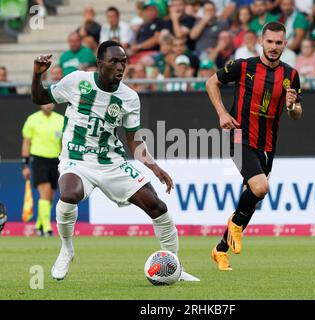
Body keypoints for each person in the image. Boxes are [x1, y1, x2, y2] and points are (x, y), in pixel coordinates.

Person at [31, 41, 199, 281]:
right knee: (68, 193)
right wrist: (38, 75)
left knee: (157, 207)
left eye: (124, 62)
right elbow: (39, 97)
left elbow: (133, 141)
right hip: (76, 160)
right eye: (114, 61)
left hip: (111, 162)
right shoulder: (77, 81)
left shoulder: (129, 97)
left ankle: (173, 266)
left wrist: (154, 166)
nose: (121, 67)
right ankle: (67, 249)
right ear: (100, 64)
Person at [206, 22, 303, 271]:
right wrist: (222, 113)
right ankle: (235, 226)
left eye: (278, 42)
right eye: (269, 42)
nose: (273, 47)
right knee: (260, 187)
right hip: (241, 137)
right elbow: (211, 83)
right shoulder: (243, 66)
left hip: (268, 145)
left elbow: (296, 114)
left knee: (250, 201)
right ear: (262, 41)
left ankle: (220, 250)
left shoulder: (291, 75)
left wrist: (292, 106)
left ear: (285, 44)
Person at [21, 103, 64, 236]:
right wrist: (25, 164)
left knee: (51, 196)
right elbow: (26, 143)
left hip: (55, 161)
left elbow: (63, 143)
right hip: (39, 160)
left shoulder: (61, 119)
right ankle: (47, 228)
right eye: (45, 102)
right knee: (44, 193)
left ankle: (39, 224)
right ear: (40, 104)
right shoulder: (32, 119)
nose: (48, 105)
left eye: (51, 102)